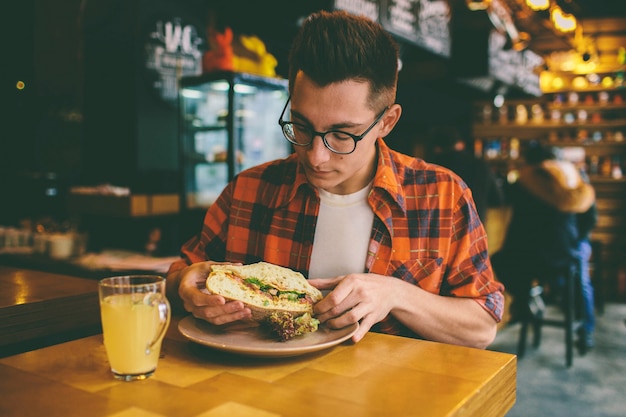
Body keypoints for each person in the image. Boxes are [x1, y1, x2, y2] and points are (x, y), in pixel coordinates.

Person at [166, 10, 504, 349]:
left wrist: (397, 295)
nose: (316, 156)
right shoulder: (249, 190)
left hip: (391, 396)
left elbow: (481, 327)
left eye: (342, 135)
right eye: (300, 125)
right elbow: (181, 276)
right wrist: (184, 285)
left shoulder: (441, 195)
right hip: (255, 393)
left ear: (387, 122)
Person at [490, 142, 597, 348]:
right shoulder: (576, 178)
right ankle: (587, 330)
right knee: (581, 279)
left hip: (531, 256)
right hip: (566, 252)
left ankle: (526, 301)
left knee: (500, 259)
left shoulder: (526, 179)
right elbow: (591, 218)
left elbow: (503, 198)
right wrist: (577, 240)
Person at [426, 126, 504, 224]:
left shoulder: (432, 168)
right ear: (460, 144)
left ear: (436, 148)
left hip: (441, 230)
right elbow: (497, 199)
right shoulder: (480, 165)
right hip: (474, 229)